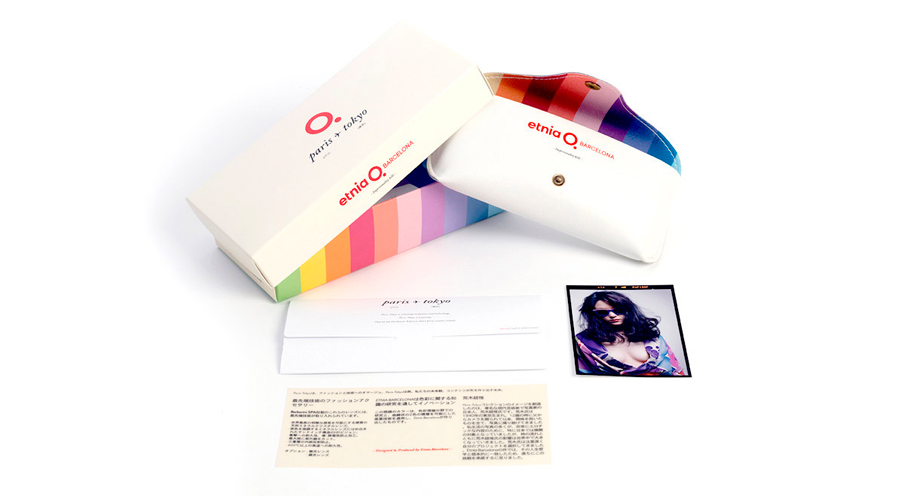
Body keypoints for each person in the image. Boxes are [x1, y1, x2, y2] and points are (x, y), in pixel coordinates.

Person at [574, 291, 686, 376]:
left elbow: (676, 371)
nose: (612, 315)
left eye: (619, 310)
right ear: (593, 315)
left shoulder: (651, 336)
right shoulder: (583, 343)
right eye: (602, 312)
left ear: (628, 310)